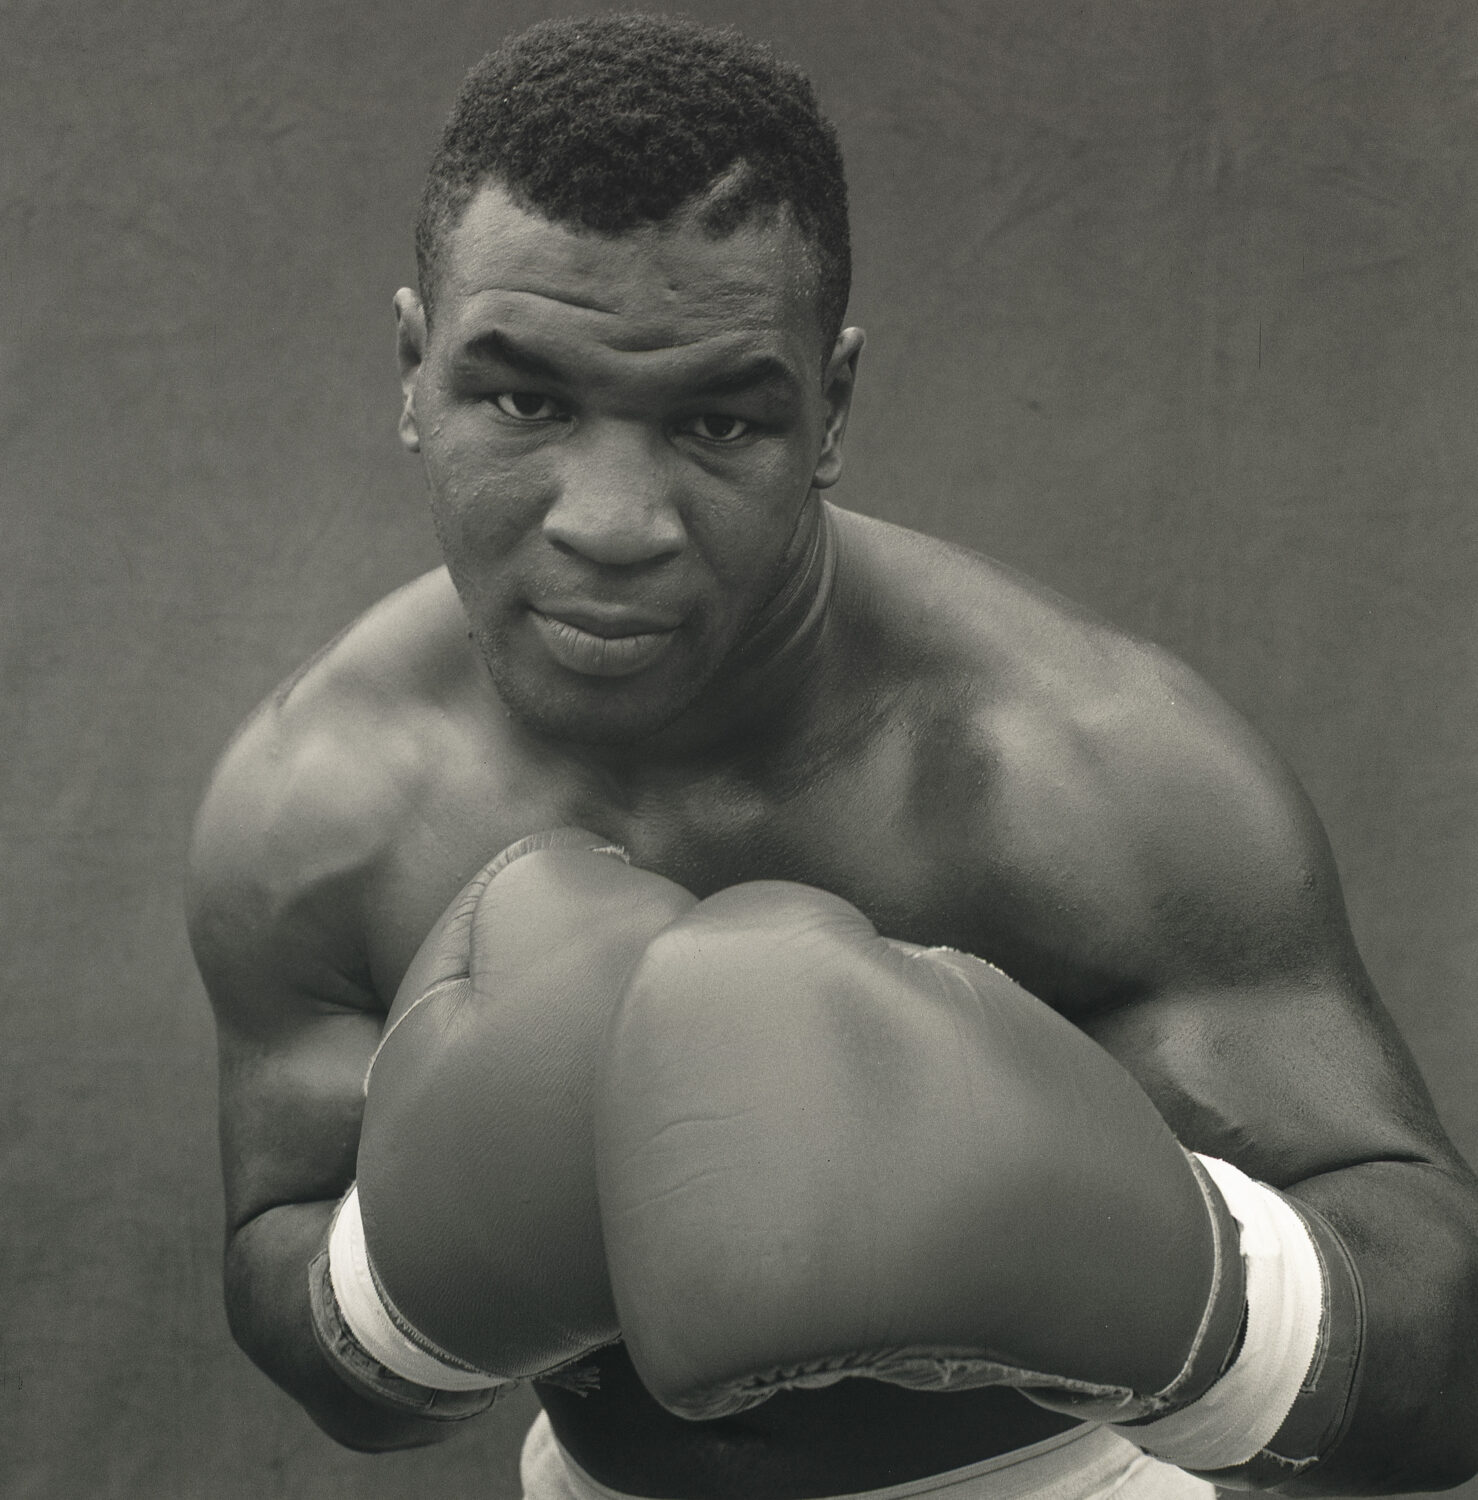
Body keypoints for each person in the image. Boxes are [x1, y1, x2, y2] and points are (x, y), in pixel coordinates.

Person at [186, 14, 1478, 1500]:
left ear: (829, 410)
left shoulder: (1077, 772)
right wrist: (396, 1287)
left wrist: (1181, 1287)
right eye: (525, 400)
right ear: (415, 373)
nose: (611, 522)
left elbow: (1446, 1365)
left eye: (717, 421)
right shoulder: (322, 804)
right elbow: (296, 1304)